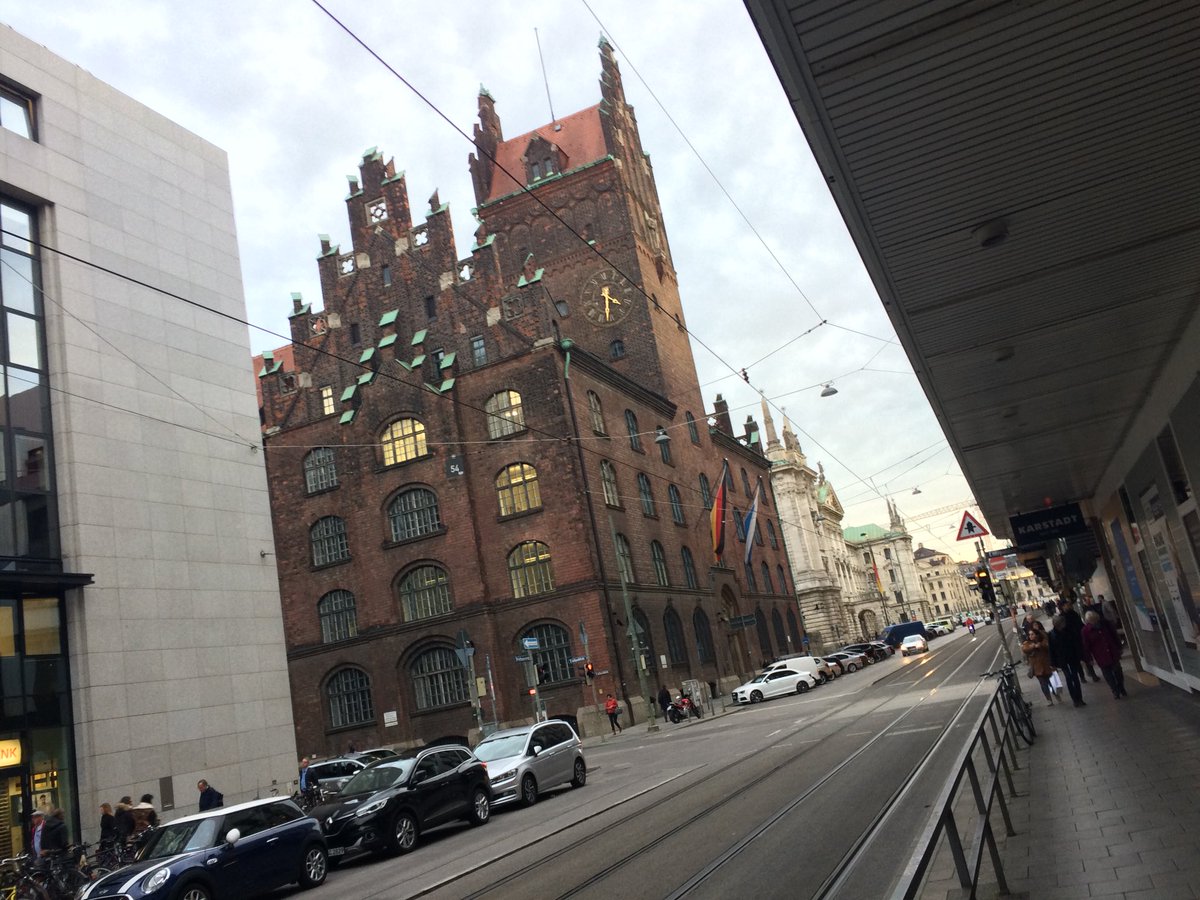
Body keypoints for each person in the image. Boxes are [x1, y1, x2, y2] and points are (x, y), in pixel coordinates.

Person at [1083, 610, 1127, 699]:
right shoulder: (1085, 631)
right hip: (1100, 655)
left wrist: (1119, 647)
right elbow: (1086, 645)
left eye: (1095, 620)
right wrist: (1089, 658)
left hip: (1112, 651)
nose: (1094, 622)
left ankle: (1121, 687)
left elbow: (1114, 635)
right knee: (1108, 674)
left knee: (1118, 670)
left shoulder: (1105, 624)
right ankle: (1114, 690)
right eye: (1091, 621)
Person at [1059, 597, 1102, 683]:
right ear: (1063, 606)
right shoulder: (1062, 617)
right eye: (1067, 604)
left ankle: (1093, 674)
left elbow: (1080, 624)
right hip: (1071, 642)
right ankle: (1082, 677)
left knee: (1086, 657)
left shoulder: (1074, 613)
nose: (1069, 606)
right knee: (1077, 661)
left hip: (1079, 639)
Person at [1047, 614, 1086, 707]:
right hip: (1062, 660)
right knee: (1069, 678)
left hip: (1072, 657)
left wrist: (1081, 656)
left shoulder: (1069, 631)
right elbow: (1051, 650)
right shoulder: (1051, 634)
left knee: (1075, 678)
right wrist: (1053, 663)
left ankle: (1079, 698)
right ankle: (1075, 699)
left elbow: (1076, 644)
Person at [1021, 620, 1058, 707]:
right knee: (1043, 684)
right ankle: (1049, 699)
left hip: (1047, 665)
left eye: (1032, 634)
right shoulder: (1027, 643)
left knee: (1051, 682)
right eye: (1029, 635)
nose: (1030, 636)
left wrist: (1040, 645)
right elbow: (1025, 649)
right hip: (1037, 668)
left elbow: (1048, 645)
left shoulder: (1043, 640)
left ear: (1036, 635)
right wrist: (1033, 646)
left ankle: (1056, 694)